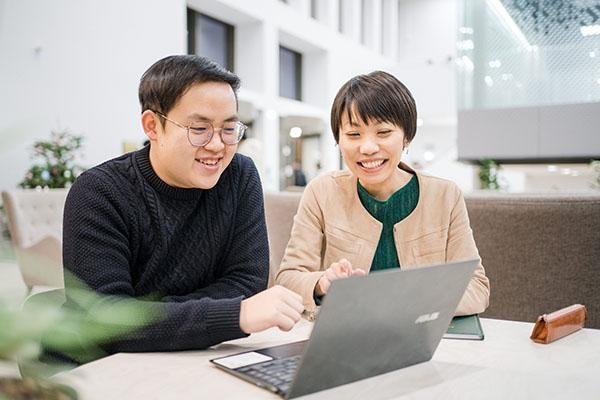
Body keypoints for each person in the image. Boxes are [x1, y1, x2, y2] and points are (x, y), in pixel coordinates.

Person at [61, 55, 303, 361]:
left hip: (202, 353)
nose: (217, 145)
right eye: (199, 129)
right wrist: (232, 315)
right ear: (153, 125)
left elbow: (248, 282)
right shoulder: (100, 191)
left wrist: (149, 317)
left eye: (229, 129)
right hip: (104, 363)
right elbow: (104, 322)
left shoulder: (239, 175)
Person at [275, 71, 490, 316]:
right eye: (353, 134)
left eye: (384, 132)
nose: (367, 148)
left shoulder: (445, 195)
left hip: (422, 337)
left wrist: (411, 302)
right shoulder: (322, 191)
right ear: (338, 139)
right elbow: (288, 279)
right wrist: (322, 283)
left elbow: (477, 288)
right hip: (347, 339)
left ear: (406, 137)